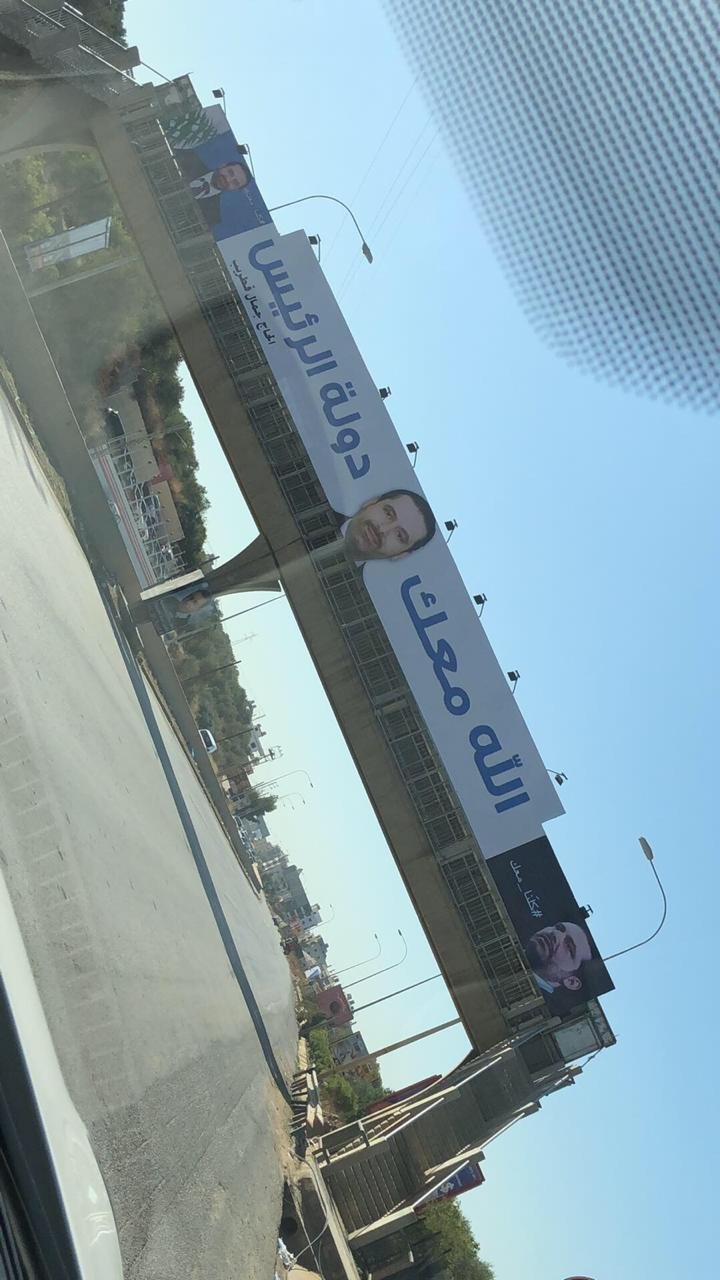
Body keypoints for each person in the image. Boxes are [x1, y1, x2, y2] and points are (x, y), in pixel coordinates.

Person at [332, 489, 436, 563]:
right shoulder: (324, 506)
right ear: (371, 502)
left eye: (399, 535)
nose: (383, 530)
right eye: (388, 514)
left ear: (400, 555)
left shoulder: (364, 585)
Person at [173, 150, 251, 229]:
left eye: (235, 183)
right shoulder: (189, 158)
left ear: (235, 190)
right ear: (222, 166)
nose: (228, 180)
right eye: (230, 172)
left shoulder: (212, 216)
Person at [525, 921, 593, 995]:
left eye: (568, 946)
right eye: (558, 928)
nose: (556, 934)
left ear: (571, 981)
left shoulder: (533, 993)